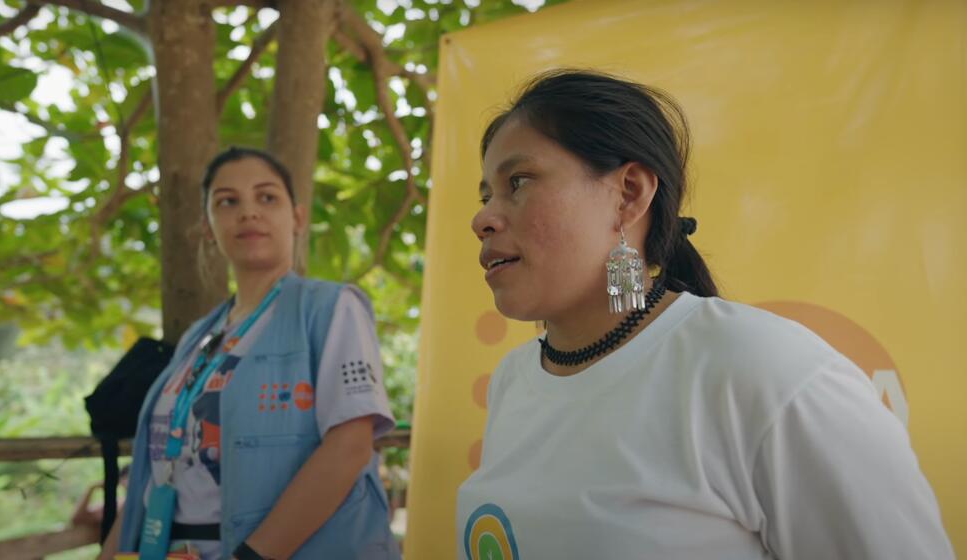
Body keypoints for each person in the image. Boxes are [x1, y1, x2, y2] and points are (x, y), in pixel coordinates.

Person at [456, 70, 954, 559]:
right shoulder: (513, 380)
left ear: (629, 194)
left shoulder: (764, 370)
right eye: (485, 196)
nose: (483, 218)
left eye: (518, 182)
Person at [98, 147, 400, 560]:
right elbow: (150, 478)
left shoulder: (330, 308)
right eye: (228, 201)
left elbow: (350, 446)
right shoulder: (197, 337)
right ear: (208, 226)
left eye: (267, 197)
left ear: (297, 217)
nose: (248, 212)